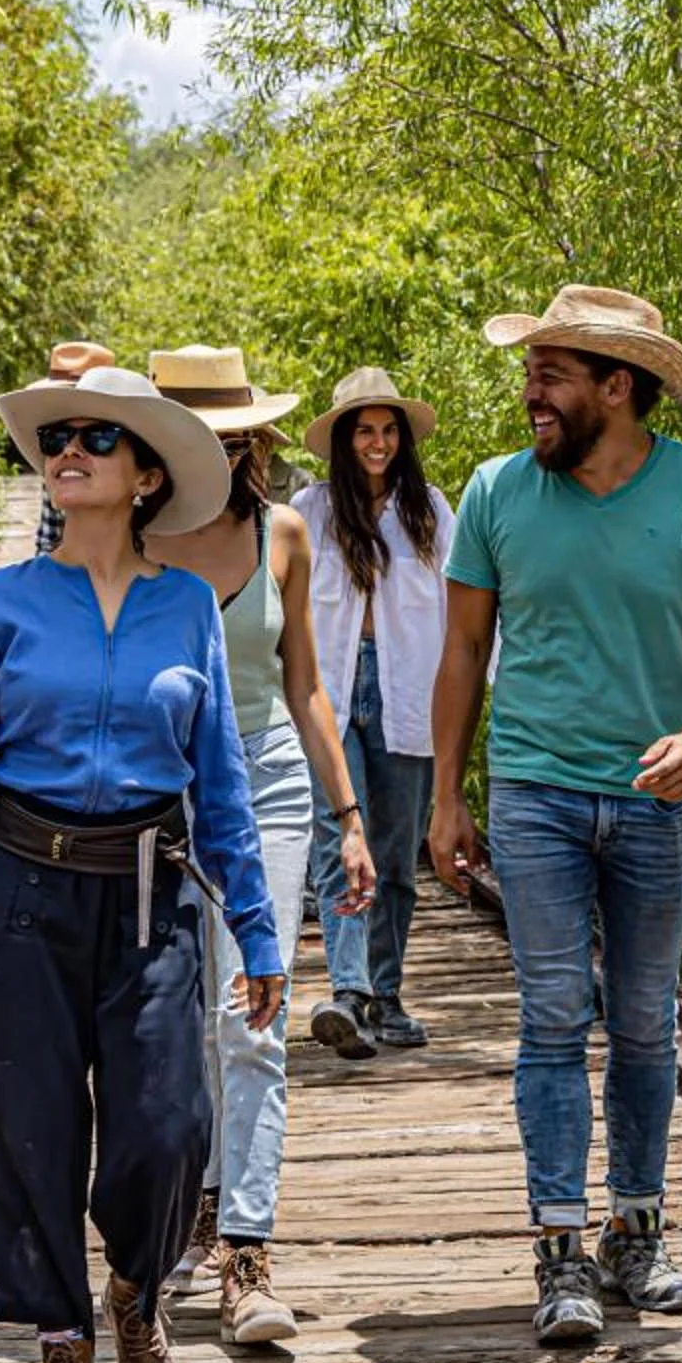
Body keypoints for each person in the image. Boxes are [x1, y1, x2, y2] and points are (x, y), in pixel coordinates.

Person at [0, 363, 288, 1363]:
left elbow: (219, 780)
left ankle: (134, 1285)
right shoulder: (2, 605)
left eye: (95, 440)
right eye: (55, 438)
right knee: (26, 1130)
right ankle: (67, 1357)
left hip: (153, 893)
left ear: (146, 471)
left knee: (168, 1127)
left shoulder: (182, 607)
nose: (65, 452)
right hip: (24, 891)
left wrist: (258, 930)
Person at [425, 286, 682, 1345]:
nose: (530, 391)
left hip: (656, 796)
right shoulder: (494, 492)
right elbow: (461, 655)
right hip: (533, 789)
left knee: (645, 1015)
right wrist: (445, 792)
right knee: (552, 1012)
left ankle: (638, 1227)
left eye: (551, 373)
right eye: (531, 371)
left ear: (617, 386)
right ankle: (560, 1246)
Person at [139, 345, 375, 1346]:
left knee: (255, 1015)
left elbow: (306, 683)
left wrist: (350, 816)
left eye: (233, 432)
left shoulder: (282, 534)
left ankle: (247, 1253)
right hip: (162, 796)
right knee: (176, 1023)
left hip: (270, 787)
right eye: (200, 433)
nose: (221, 448)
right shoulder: (130, 537)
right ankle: (193, 1199)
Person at [295, 367, 454, 1051]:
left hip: (408, 692)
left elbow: (468, 609)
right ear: (343, 439)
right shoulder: (311, 510)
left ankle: (385, 995)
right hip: (326, 690)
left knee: (393, 853)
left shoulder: (430, 512)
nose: (379, 442)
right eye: (365, 430)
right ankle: (349, 991)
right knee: (340, 840)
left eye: (388, 431)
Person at [31, 340, 117, 555]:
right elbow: (48, 538)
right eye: (56, 436)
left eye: (97, 436)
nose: (69, 448)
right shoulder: (59, 461)